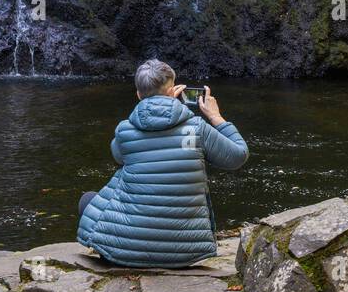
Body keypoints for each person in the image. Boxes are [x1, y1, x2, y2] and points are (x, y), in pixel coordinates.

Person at [76, 59, 248, 268]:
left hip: (125, 252)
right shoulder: (194, 130)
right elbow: (238, 156)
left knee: (88, 200)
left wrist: (151, 109)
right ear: (172, 90)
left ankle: (121, 249)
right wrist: (216, 116)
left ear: (138, 95)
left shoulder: (125, 130)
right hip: (186, 254)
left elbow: (118, 156)